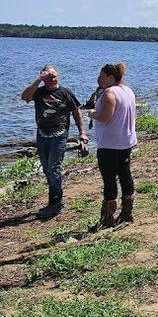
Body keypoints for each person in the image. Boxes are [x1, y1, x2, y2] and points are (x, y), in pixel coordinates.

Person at [20, 65, 88, 218]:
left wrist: (82, 133)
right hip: (42, 136)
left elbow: (77, 113)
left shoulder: (65, 92)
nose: (52, 78)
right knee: (46, 169)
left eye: (54, 75)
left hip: (59, 136)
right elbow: (24, 97)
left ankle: (55, 202)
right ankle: (55, 197)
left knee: (53, 168)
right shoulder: (38, 92)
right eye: (48, 76)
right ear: (43, 77)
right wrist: (38, 80)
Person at [89, 62, 137, 228]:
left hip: (110, 144)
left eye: (101, 75)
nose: (99, 78)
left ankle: (107, 218)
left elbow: (106, 117)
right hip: (126, 140)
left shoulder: (110, 93)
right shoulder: (128, 90)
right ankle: (126, 213)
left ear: (110, 77)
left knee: (109, 179)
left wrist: (92, 113)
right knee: (125, 174)